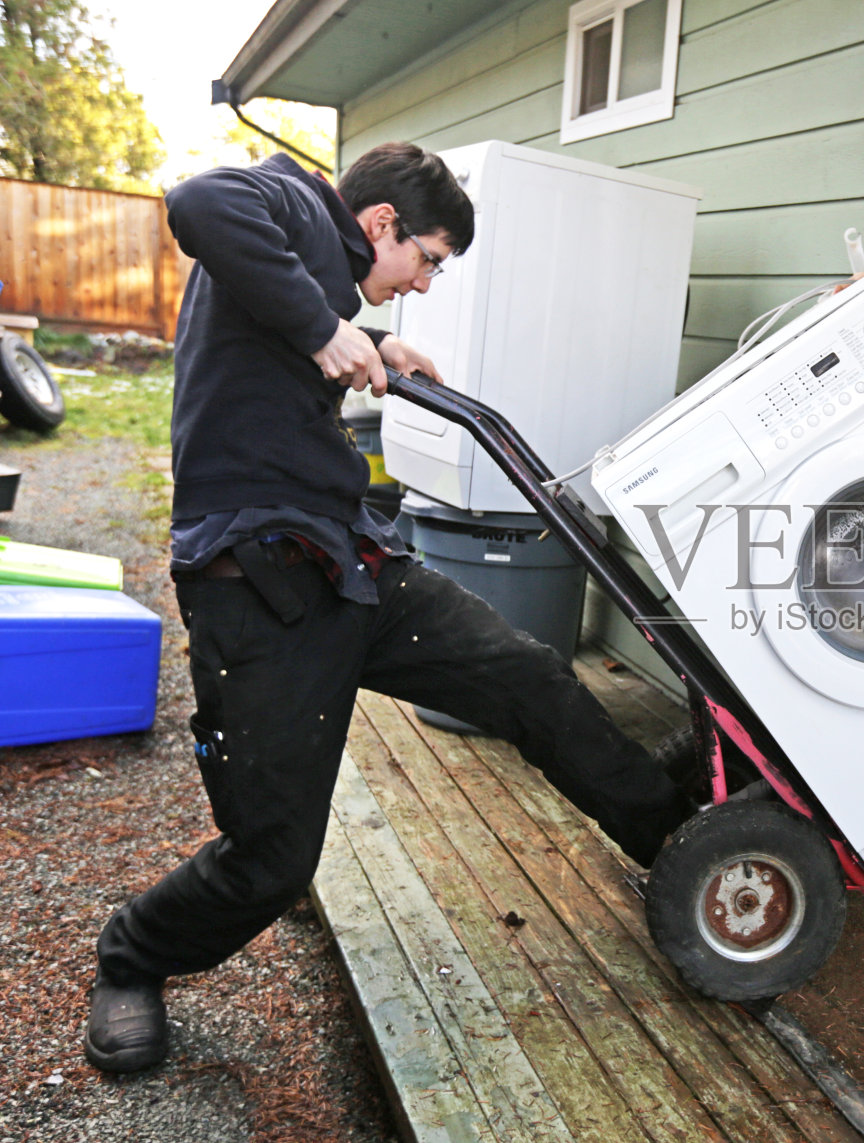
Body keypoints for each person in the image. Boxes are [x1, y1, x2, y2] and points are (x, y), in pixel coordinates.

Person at [84, 143, 691, 1073]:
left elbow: (301, 309)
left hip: (352, 566)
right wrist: (325, 327)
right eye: (429, 260)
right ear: (380, 226)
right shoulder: (287, 199)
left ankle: (679, 839)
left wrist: (355, 331)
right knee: (273, 862)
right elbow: (198, 202)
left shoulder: (320, 269)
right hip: (258, 585)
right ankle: (130, 956)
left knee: (527, 674)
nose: (425, 282)